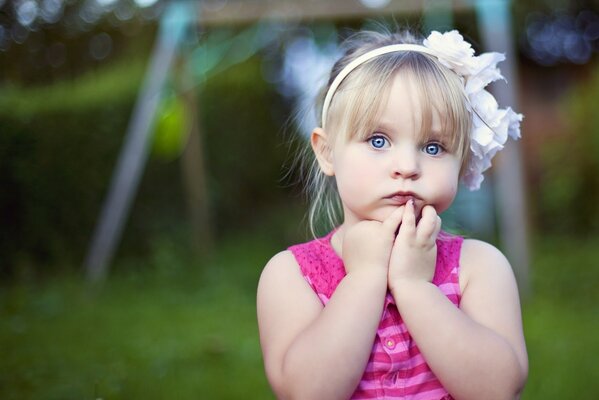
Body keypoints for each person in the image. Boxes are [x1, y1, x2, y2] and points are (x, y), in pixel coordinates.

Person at [257, 28, 528, 400]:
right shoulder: (292, 276)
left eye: (433, 147)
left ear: (461, 159)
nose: (407, 166)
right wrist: (366, 276)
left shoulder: (478, 267)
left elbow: (499, 388)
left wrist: (416, 288)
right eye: (378, 141)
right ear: (327, 152)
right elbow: (306, 391)